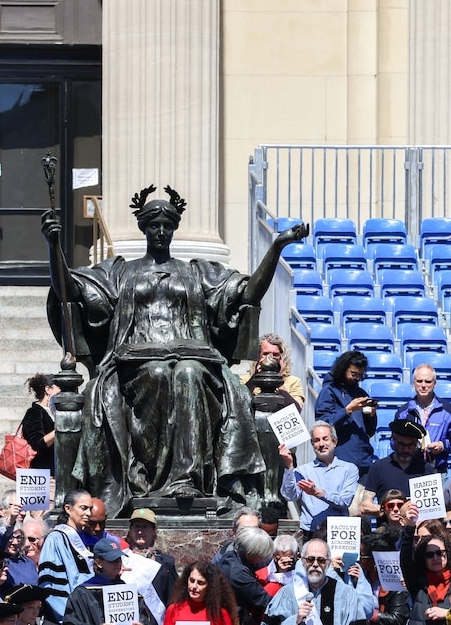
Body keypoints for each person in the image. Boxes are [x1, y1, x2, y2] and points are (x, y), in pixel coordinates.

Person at [42, 191, 307, 515]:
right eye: (154, 224)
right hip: (135, 360)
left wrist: (276, 247)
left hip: (193, 357)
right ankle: (145, 482)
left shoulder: (196, 272)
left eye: (168, 224)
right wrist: (53, 246)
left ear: (175, 227)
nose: (161, 231)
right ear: (143, 227)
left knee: (189, 374)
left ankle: (187, 480)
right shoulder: (120, 272)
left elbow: (248, 292)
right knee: (157, 372)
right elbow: (68, 289)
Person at [278, 422, 358, 538]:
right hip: (310, 533)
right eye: (316, 440)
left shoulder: (349, 469)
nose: (321, 444)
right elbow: (289, 496)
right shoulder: (303, 470)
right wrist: (289, 466)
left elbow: (345, 501)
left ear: (334, 442)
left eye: (325, 439)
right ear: (312, 444)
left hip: (339, 534)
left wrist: (317, 493)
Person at [316, 350, 378, 477]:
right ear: (343, 369)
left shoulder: (361, 393)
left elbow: (370, 431)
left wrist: (371, 416)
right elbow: (323, 425)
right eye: (353, 374)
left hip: (363, 462)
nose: (356, 378)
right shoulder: (328, 392)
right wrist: (348, 410)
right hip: (339, 462)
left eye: (360, 375)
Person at [38, 489, 95, 621]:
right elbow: (51, 585)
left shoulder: (85, 540)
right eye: (83, 508)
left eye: (90, 509)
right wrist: (70, 619)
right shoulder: (55, 539)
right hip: (67, 619)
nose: (88, 513)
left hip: (86, 616)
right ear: (68, 509)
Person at [361, 419, 434, 516]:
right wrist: (390, 509)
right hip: (387, 528)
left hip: (415, 527)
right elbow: (365, 505)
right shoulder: (379, 467)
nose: (406, 449)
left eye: (411, 445)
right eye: (402, 445)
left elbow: (433, 509)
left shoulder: (425, 468)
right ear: (394, 441)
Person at [395, 364, 451, 472]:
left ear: (435, 384)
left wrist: (442, 445)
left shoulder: (448, 411)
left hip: (438, 469)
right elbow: (393, 441)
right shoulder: (403, 412)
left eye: (428, 382)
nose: (423, 385)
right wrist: (408, 445)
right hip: (409, 469)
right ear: (413, 383)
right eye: (419, 381)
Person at [242, 333, 305, 407]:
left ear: (281, 357)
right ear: (258, 355)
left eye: (275, 354)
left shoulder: (293, 382)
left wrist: (278, 380)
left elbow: (296, 410)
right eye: (265, 354)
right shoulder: (245, 380)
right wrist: (254, 377)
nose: (270, 358)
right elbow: (240, 402)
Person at [21, 373, 58, 472]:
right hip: (44, 474)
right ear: (48, 390)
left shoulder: (55, 412)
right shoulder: (35, 412)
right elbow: (37, 444)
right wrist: (59, 428)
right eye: (59, 388)